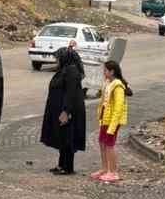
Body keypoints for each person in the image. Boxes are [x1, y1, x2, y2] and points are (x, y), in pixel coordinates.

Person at [40, 47, 86, 175]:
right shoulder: (65, 70)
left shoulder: (71, 71)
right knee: (62, 137)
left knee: (67, 138)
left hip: (68, 112)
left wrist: (66, 111)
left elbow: (71, 93)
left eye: (58, 58)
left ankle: (67, 167)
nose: (57, 60)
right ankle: (61, 165)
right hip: (61, 109)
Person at [91, 59, 129, 184]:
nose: (104, 73)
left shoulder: (117, 86)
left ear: (112, 72)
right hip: (105, 119)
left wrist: (113, 126)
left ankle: (113, 171)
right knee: (102, 143)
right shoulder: (108, 83)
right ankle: (104, 168)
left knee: (109, 145)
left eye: (105, 70)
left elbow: (118, 107)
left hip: (112, 120)